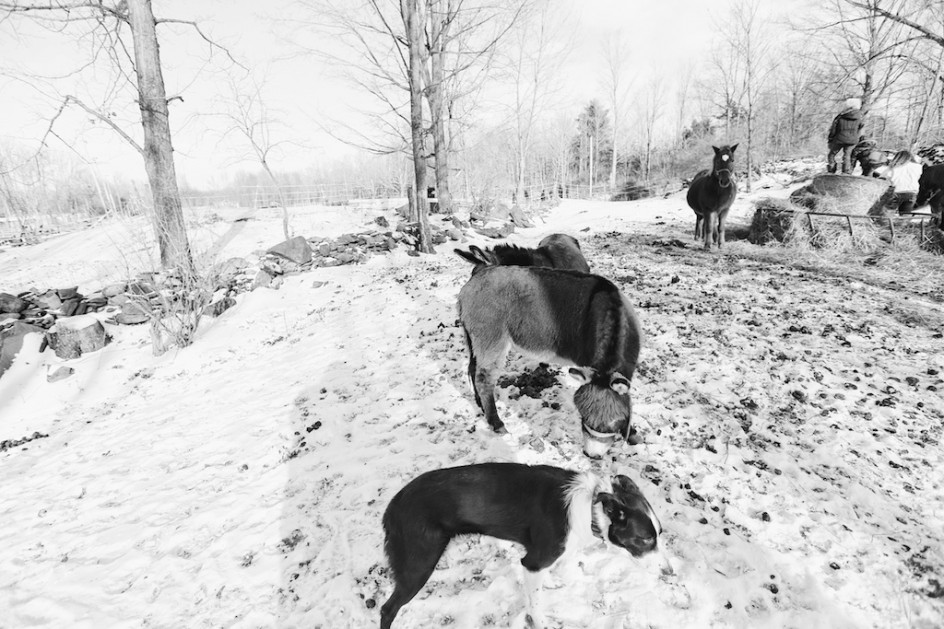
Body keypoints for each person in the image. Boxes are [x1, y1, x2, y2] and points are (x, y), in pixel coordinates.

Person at [827, 98, 865, 174]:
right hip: (853, 140)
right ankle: (846, 172)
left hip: (839, 139)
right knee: (847, 155)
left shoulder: (840, 116)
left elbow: (833, 129)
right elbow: (861, 130)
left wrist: (830, 138)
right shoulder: (860, 117)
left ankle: (831, 169)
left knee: (831, 155)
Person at [879, 150, 923, 215]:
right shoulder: (918, 167)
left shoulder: (894, 167)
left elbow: (883, 177)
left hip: (896, 192)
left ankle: (889, 223)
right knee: (905, 215)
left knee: (888, 214)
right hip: (911, 192)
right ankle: (902, 224)